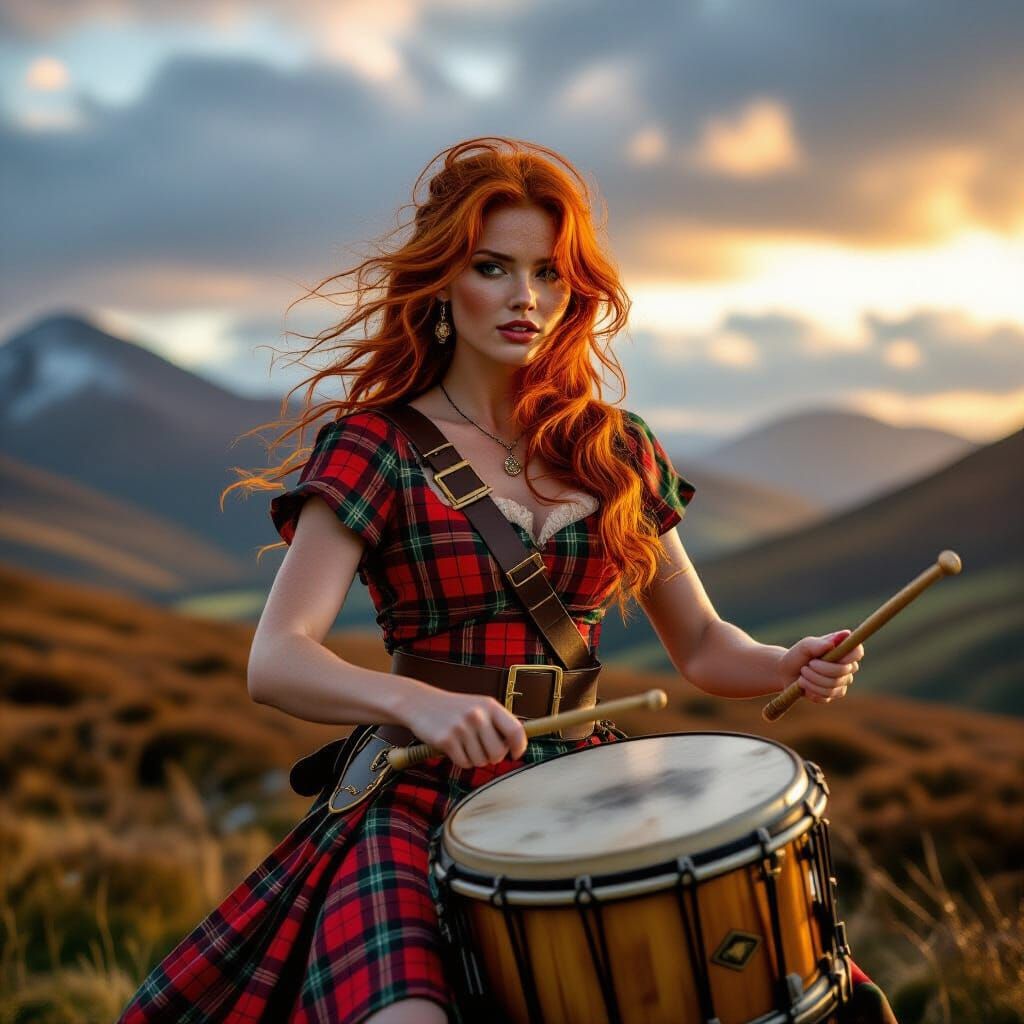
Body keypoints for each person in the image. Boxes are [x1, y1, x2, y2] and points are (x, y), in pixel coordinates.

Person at [116, 137, 897, 1024]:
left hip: (587, 783)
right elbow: (278, 660)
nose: (526, 297)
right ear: (444, 281)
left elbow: (706, 647)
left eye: (549, 273)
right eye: (494, 267)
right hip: (418, 794)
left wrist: (788, 662)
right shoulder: (374, 447)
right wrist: (419, 706)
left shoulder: (617, 448)